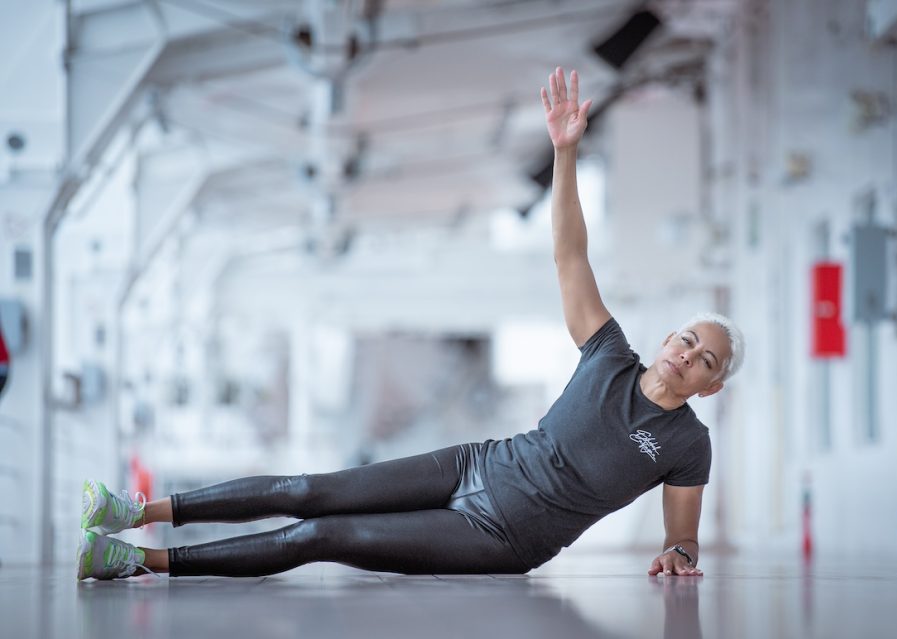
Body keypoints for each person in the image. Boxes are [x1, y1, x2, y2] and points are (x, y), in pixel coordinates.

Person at [76, 67, 744, 581]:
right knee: (309, 490)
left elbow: (680, 531)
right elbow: (570, 253)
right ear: (668, 339)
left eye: (706, 359)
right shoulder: (608, 355)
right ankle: (135, 512)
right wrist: (565, 153)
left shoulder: (687, 444)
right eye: (688, 338)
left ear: (710, 386)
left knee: (321, 536)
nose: (689, 354)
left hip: (505, 536)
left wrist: (679, 551)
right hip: (475, 463)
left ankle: (136, 564)